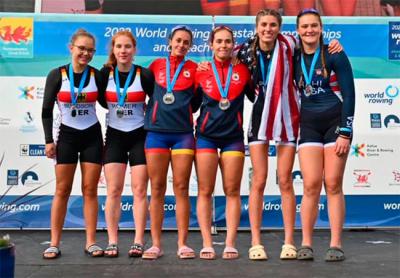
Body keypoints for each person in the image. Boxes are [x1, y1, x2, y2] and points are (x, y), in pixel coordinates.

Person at [237, 8, 343, 260]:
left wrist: (335, 44)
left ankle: (288, 242)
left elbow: (313, 41)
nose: (268, 29)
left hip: (287, 116)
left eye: (273, 24)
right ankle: (256, 242)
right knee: (259, 181)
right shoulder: (244, 50)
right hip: (260, 118)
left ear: (280, 27)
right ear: (256, 26)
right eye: (264, 24)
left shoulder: (290, 43)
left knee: (285, 180)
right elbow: (223, 55)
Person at [294, 8, 355, 261]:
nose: (309, 30)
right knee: (310, 185)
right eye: (304, 26)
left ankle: (336, 244)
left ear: (320, 28)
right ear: (297, 30)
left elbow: (350, 94)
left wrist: (345, 131)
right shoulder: (292, 55)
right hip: (308, 125)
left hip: (334, 124)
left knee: (332, 183)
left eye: (313, 26)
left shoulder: (334, 54)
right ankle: (306, 244)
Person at [41, 29, 105, 259]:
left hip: (91, 136)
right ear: (71, 48)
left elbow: (111, 103)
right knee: (62, 189)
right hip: (66, 136)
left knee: (90, 190)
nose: (85, 54)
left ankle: (91, 241)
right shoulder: (56, 75)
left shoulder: (97, 76)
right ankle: (54, 243)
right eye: (81, 48)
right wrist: (49, 140)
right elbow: (46, 111)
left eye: (90, 50)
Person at [194, 25, 253, 260]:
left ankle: (230, 242)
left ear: (233, 44)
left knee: (232, 191)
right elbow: (192, 104)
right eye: (218, 41)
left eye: (228, 41)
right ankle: (207, 242)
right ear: (211, 44)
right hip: (206, 137)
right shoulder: (201, 71)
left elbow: (255, 96)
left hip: (233, 138)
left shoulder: (243, 71)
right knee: (205, 190)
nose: (223, 45)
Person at [142, 25, 198, 260]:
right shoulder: (154, 66)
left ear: (190, 46)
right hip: (156, 133)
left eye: (186, 42)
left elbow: (196, 102)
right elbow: (144, 91)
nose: (181, 45)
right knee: (156, 189)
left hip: (183, 134)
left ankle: (182, 243)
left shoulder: (195, 69)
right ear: (170, 42)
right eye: (178, 41)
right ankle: (155, 244)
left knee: (182, 188)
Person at [100, 31, 154, 258]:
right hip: (115, 136)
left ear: (135, 50)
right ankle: (112, 240)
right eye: (119, 46)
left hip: (139, 135)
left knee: (140, 190)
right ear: (113, 49)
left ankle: (139, 240)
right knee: (113, 190)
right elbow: (101, 101)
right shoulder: (104, 74)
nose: (123, 51)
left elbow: (155, 103)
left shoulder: (144, 74)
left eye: (128, 47)